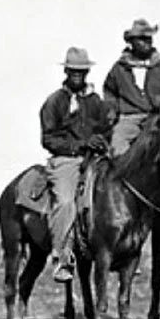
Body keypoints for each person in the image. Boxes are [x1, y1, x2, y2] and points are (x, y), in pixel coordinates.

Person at [40, 47, 116, 282]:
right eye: (73, 71)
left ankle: (123, 252)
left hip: (95, 157)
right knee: (65, 201)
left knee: (118, 191)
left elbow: (105, 127)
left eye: (82, 71)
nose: (77, 75)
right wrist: (81, 144)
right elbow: (49, 138)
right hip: (67, 159)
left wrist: (102, 140)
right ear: (66, 70)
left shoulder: (94, 101)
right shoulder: (55, 102)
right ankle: (62, 258)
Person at [103, 18, 160, 155]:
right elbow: (109, 91)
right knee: (118, 144)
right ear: (132, 42)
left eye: (149, 38)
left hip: (157, 117)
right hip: (130, 118)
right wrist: (112, 109)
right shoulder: (119, 68)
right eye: (142, 39)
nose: (147, 42)